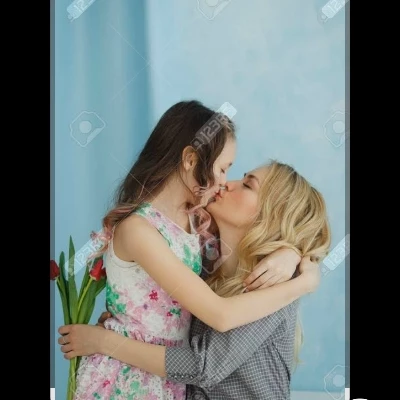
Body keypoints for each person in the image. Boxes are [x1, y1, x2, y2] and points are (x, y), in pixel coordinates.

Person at [59, 100, 316, 400]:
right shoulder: (151, 231)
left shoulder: (207, 234)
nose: (225, 183)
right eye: (223, 169)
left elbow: (302, 228)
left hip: (167, 382)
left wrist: (294, 257)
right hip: (132, 380)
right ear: (191, 160)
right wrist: (304, 282)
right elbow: (216, 318)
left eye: (244, 182)